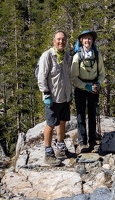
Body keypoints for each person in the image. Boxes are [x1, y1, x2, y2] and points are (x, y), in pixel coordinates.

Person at [37, 30, 73, 166]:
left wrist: (70, 93)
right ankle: (48, 153)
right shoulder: (47, 56)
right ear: (54, 41)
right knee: (50, 124)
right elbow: (42, 76)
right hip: (52, 97)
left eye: (63, 39)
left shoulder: (66, 57)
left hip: (64, 97)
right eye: (58, 39)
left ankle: (61, 147)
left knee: (62, 122)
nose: (61, 42)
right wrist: (45, 93)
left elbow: (69, 76)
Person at [70, 30, 106, 153]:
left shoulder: (97, 54)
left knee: (92, 114)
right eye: (85, 39)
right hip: (81, 88)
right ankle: (82, 141)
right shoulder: (77, 56)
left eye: (89, 39)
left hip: (94, 87)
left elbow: (102, 73)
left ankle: (92, 141)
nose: (87, 41)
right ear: (81, 41)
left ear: (92, 41)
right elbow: (73, 77)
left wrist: (98, 84)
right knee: (80, 115)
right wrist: (86, 87)